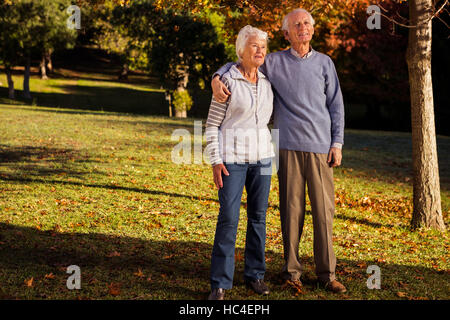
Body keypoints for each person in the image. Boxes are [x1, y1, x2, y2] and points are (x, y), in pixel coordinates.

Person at [211, 9, 346, 294]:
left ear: (312, 29)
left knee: (324, 214)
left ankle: (327, 273)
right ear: (286, 33)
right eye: (296, 25)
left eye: (307, 23)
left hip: (321, 148)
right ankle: (292, 271)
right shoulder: (273, 61)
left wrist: (337, 143)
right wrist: (216, 75)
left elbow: (336, 105)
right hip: (286, 148)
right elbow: (242, 62)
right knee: (291, 212)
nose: (303, 28)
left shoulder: (325, 63)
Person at [205, 25, 275, 300]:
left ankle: (255, 275)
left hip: (264, 158)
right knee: (229, 219)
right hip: (232, 159)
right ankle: (220, 283)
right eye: (255, 46)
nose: (260, 51)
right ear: (241, 50)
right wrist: (215, 160)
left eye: (263, 47)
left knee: (258, 218)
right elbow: (211, 125)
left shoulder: (269, 83)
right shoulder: (227, 82)